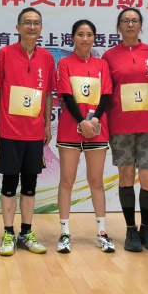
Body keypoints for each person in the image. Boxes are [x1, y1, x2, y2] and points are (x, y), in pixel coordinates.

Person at [0, 7, 55, 256]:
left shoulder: (46, 58)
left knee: (29, 185)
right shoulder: (5, 54)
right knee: (9, 183)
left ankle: (26, 233)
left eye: (36, 23)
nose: (32, 26)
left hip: (34, 133)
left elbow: (47, 94)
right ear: (18, 28)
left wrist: (47, 125)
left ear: (41, 28)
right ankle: (8, 233)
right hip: (9, 131)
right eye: (27, 22)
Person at [103, 8, 148, 252]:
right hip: (120, 126)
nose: (130, 25)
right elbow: (106, 91)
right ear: (119, 26)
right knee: (126, 176)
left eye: (135, 20)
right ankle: (131, 230)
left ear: (141, 25)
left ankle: (146, 228)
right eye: (125, 21)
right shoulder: (109, 56)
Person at [55, 19, 115, 253]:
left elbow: (106, 95)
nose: (85, 38)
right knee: (67, 180)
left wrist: (95, 120)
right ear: (73, 38)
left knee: (96, 181)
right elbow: (66, 96)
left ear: (94, 38)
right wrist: (81, 121)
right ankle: (64, 233)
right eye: (80, 34)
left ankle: (102, 232)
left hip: (97, 130)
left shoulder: (102, 64)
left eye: (89, 34)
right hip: (70, 129)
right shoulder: (65, 64)